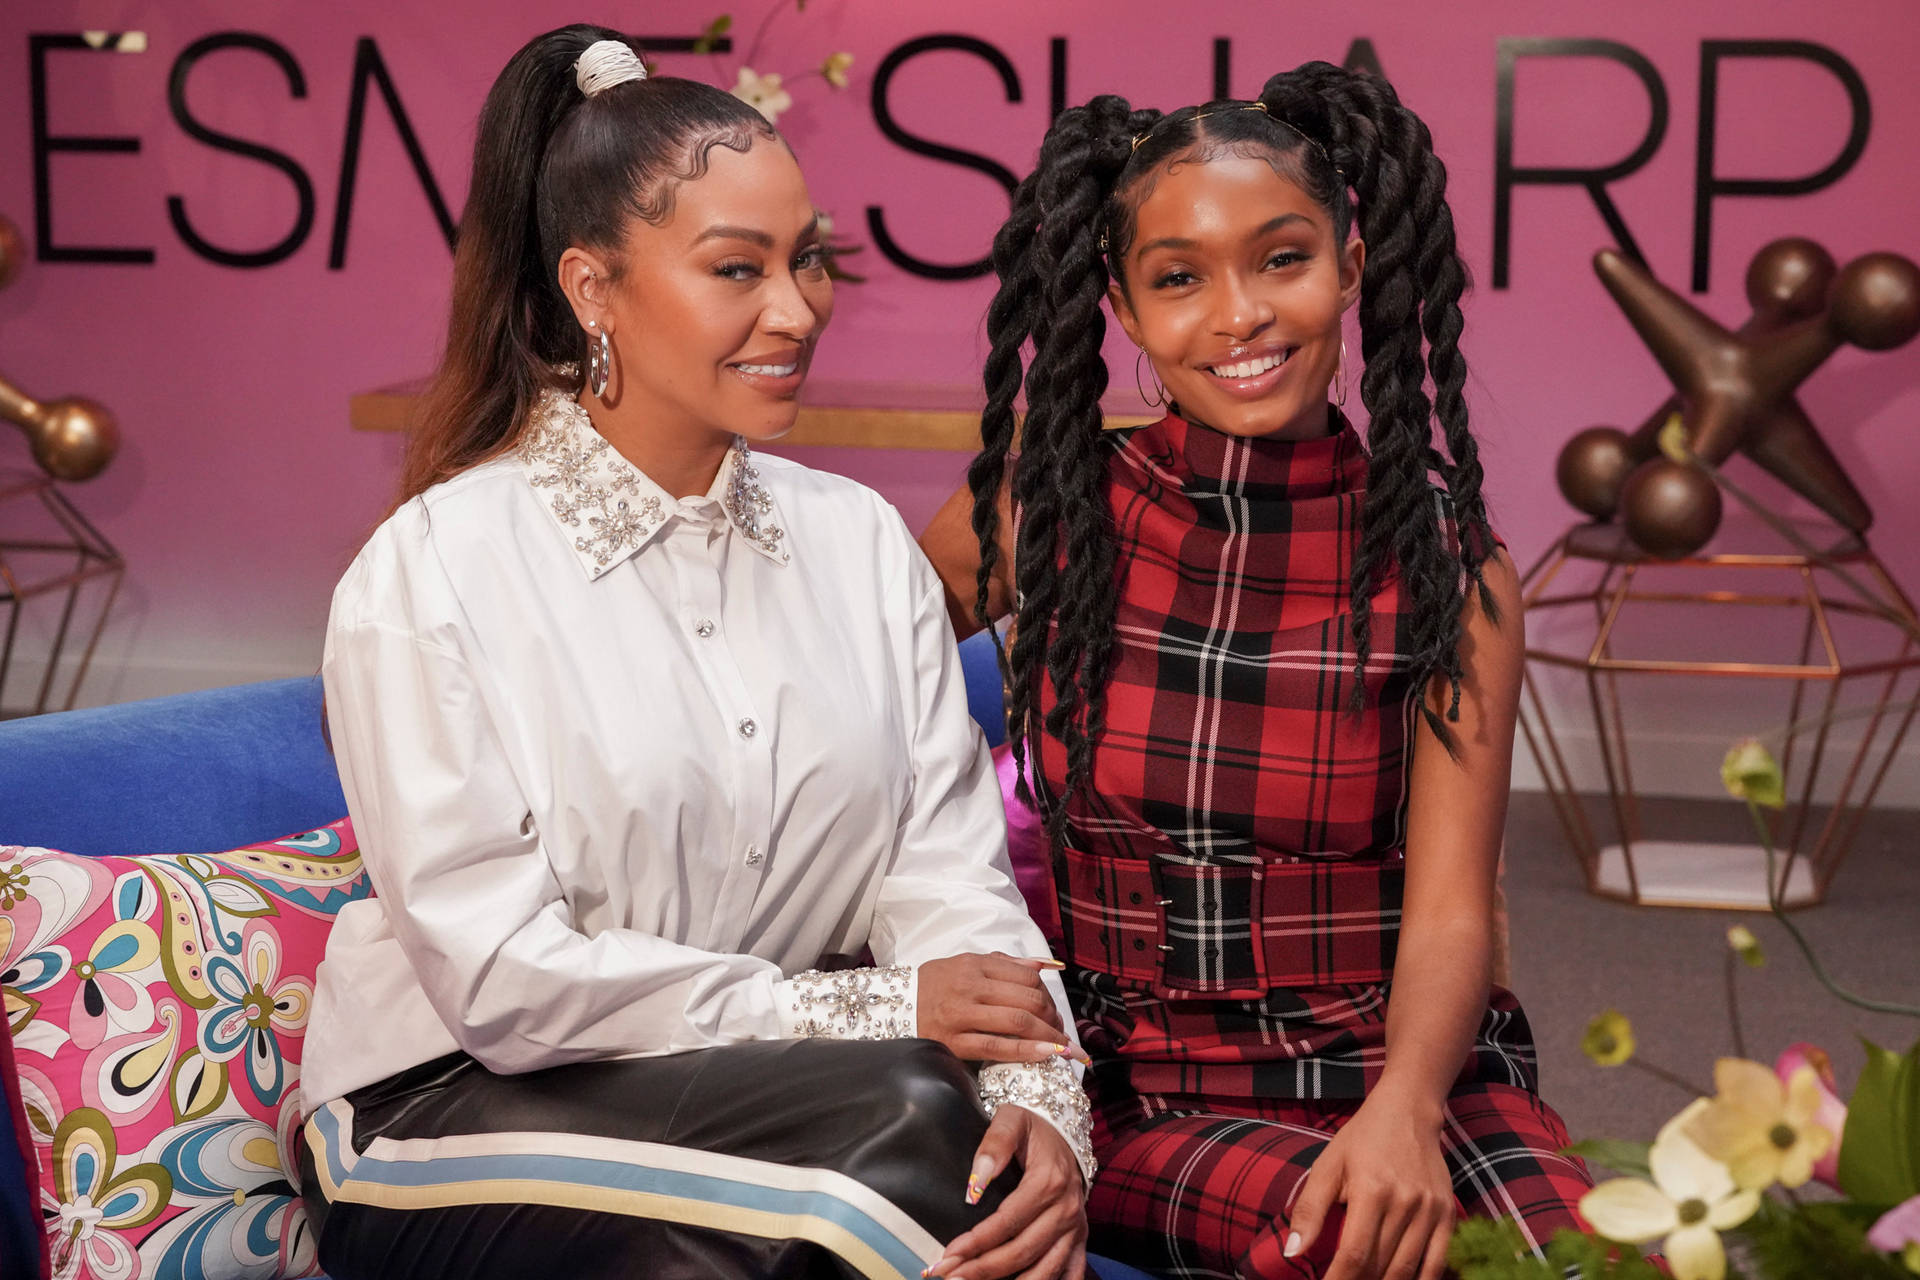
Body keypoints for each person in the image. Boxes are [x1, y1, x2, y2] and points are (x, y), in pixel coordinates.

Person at [300, 26, 1092, 1280]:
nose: (797, 309)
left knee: (943, 1152)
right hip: (436, 1108)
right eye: (739, 268)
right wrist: (870, 1006)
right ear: (592, 287)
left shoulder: (858, 545)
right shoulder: (435, 567)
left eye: (808, 260)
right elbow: (502, 979)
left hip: (776, 1086)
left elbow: (947, 878)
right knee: (896, 1140)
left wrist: (1041, 1102)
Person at [919, 64, 1595, 1280]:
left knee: (1584, 1263)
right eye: (1181, 278)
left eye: (1281, 259)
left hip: (1401, 1061)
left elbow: (1451, 906)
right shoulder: (1045, 514)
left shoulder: (1453, 564)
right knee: (1363, 1251)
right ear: (1122, 307)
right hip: (1137, 1085)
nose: (1239, 315)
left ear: (1348, 263)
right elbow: (848, 714)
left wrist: (1404, 1108)